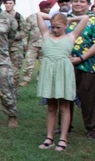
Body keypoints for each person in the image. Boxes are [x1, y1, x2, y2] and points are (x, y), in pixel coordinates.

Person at [34, 12, 88, 152]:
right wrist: (53, 17)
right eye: (53, 27)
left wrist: (69, 18)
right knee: (51, 107)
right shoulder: (46, 35)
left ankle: (63, 138)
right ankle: (49, 137)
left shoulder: (71, 37)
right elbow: (39, 14)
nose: (55, 30)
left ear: (66, 26)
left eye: (58, 27)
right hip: (49, 73)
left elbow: (85, 18)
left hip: (63, 74)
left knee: (64, 107)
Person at [67, 0, 95, 140]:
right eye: (75, 1)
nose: (78, 4)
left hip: (87, 65)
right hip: (66, 65)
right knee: (64, 96)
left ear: (88, 4)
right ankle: (65, 125)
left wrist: (81, 58)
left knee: (88, 99)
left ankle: (93, 128)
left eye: (82, 1)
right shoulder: (66, 19)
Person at [20, 0, 50, 86]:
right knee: (29, 62)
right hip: (33, 44)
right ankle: (26, 79)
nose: (48, 9)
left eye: (49, 8)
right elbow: (25, 31)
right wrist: (24, 42)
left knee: (44, 63)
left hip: (46, 44)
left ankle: (41, 79)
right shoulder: (31, 17)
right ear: (41, 8)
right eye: (46, 8)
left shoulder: (51, 17)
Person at [3, 0, 27, 86]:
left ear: (14, 4)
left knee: (15, 69)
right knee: (3, 70)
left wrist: (14, 36)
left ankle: (14, 90)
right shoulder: (1, 15)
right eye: (6, 3)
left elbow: (24, 31)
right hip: (3, 46)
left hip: (16, 47)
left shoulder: (18, 16)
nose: (8, 5)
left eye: (10, 3)